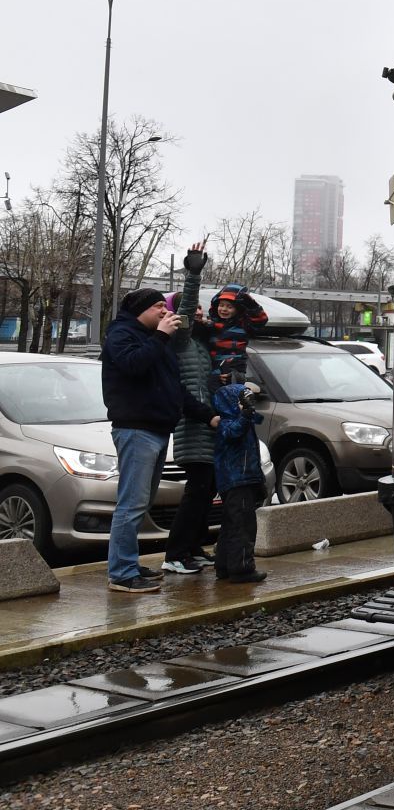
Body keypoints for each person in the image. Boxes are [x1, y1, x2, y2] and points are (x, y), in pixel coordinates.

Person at [101, 289, 221, 593]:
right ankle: (122, 574)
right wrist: (161, 337)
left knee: (140, 503)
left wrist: (208, 415)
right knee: (131, 504)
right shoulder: (122, 334)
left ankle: (128, 563)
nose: (164, 312)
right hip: (135, 429)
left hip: (156, 430)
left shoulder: (157, 340)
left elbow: (174, 388)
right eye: (157, 307)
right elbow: (133, 364)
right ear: (141, 310)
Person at [161, 241, 218, 576]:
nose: (197, 314)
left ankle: (193, 548)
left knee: (205, 491)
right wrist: (193, 273)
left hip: (207, 426)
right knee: (197, 491)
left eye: (199, 312)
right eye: (191, 312)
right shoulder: (181, 340)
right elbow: (186, 307)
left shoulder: (200, 344)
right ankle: (175, 553)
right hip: (193, 427)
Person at [210, 378, 268, 583]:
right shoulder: (228, 423)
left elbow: (257, 419)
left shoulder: (242, 420)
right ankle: (242, 568)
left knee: (231, 524)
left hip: (241, 480)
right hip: (237, 481)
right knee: (243, 525)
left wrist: (248, 409)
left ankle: (225, 565)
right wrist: (244, 413)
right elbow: (233, 432)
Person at [195, 284, 269, 383]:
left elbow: (261, 319)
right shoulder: (211, 325)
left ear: (238, 309)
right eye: (221, 305)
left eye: (229, 307)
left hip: (235, 367)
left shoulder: (243, 325)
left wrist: (251, 304)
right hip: (214, 368)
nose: (224, 309)